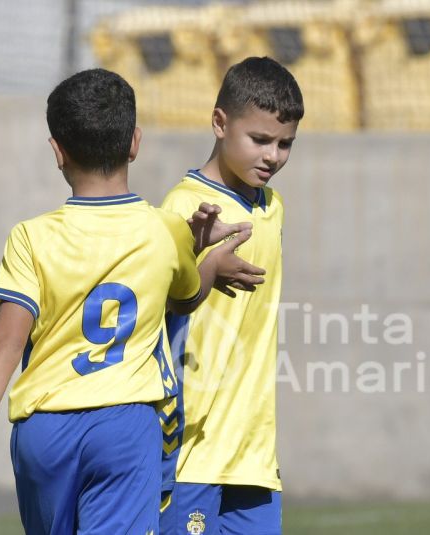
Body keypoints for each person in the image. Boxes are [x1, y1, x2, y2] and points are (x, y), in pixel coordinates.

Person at [0, 68, 254, 534]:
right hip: (125, 424)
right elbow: (185, 299)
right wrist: (206, 260)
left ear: (57, 151)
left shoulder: (31, 236)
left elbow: (6, 338)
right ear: (135, 143)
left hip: (43, 430)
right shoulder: (165, 230)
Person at [158, 56, 302, 535]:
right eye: (260, 140)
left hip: (253, 452)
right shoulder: (183, 207)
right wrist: (197, 264)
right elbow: (154, 311)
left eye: (285, 144)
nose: (273, 155)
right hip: (190, 449)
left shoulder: (273, 207)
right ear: (220, 123)